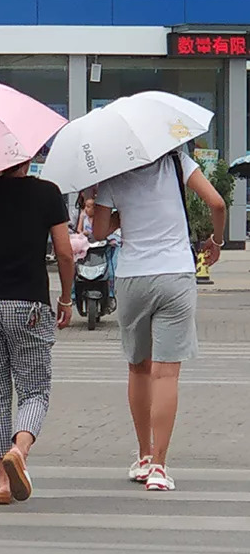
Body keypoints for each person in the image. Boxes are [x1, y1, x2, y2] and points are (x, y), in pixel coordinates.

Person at [93, 150, 226, 492]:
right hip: (175, 274)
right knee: (165, 373)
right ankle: (159, 467)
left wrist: (114, 212)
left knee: (138, 367)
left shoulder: (113, 172)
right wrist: (217, 240)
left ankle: (142, 456)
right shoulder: (178, 161)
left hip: (132, 276)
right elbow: (218, 204)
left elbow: (98, 232)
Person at [0, 161, 74, 505]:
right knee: (34, 391)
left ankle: (2, 483)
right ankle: (19, 451)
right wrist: (66, 298)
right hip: (29, 306)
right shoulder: (48, 193)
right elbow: (65, 253)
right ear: (26, 159)